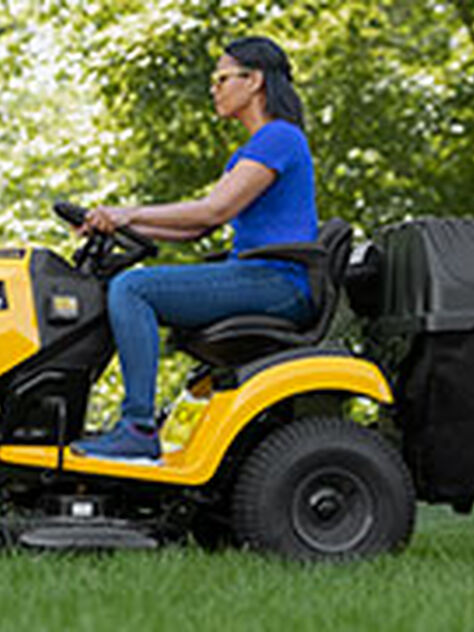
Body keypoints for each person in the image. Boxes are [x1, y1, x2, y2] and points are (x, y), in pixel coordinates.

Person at [71, 36, 318, 459]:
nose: (214, 88)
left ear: (254, 80)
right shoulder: (254, 148)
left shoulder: (279, 138)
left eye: (221, 78)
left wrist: (128, 214)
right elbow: (195, 229)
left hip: (275, 282)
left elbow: (212, 212)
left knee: (132, 289)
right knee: (129, 284)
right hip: (258, 278)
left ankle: (138, 426)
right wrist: (119, 222)